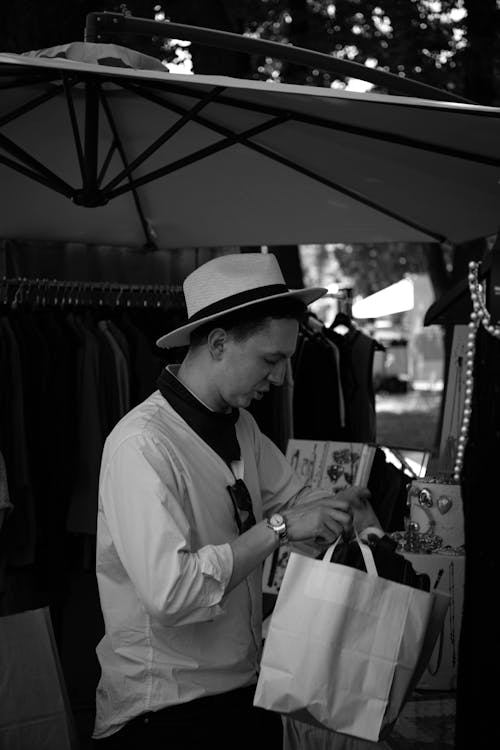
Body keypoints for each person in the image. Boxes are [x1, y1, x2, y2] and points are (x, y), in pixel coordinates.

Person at [92, 253, 379, 749]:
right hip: (164, 714)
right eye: (272, 360)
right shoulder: (141, 445)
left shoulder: (242, 425)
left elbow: (297, 498)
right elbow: (171, 595)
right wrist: (282, 527)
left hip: (243, 692)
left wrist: (338, 505)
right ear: (220, 344)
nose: (283, 379)